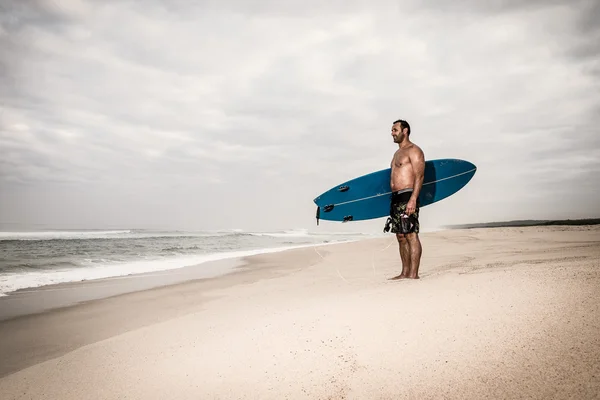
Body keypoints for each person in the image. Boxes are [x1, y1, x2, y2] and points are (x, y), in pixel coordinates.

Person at [384, 119, 425, 279]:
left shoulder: (414, 150)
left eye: (395, 130)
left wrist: (413, 199)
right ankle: (404, 272)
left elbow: (419, 176)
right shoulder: (396, 154)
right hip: (396, 198)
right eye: (392, 130)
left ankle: (413, 274)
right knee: (401, 236)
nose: (392, 133)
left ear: (405, 131)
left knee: (411, 234)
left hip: (408, 196)